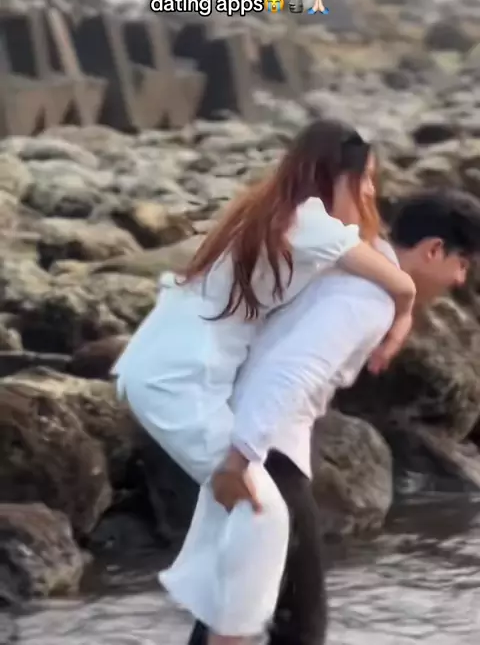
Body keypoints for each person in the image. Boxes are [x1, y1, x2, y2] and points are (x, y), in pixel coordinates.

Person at [178, 189, 480, 645]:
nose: (460, 280)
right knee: (282, 622)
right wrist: (242, 462)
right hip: (265, 454)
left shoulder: (359, 271)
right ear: (433, 249)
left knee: (261, 615)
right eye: (463, 264)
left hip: (254, 443)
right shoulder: (367, 301)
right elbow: (286, 374)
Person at [114, 119, 414, 486]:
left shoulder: (269, 208)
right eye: (363, 178)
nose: (369, 191)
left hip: (163, 360)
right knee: (254, 499)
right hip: (181, 377)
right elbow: (400, 284)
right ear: (333, 175)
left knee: (238, 502)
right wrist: (402, 319)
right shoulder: (310, 224)